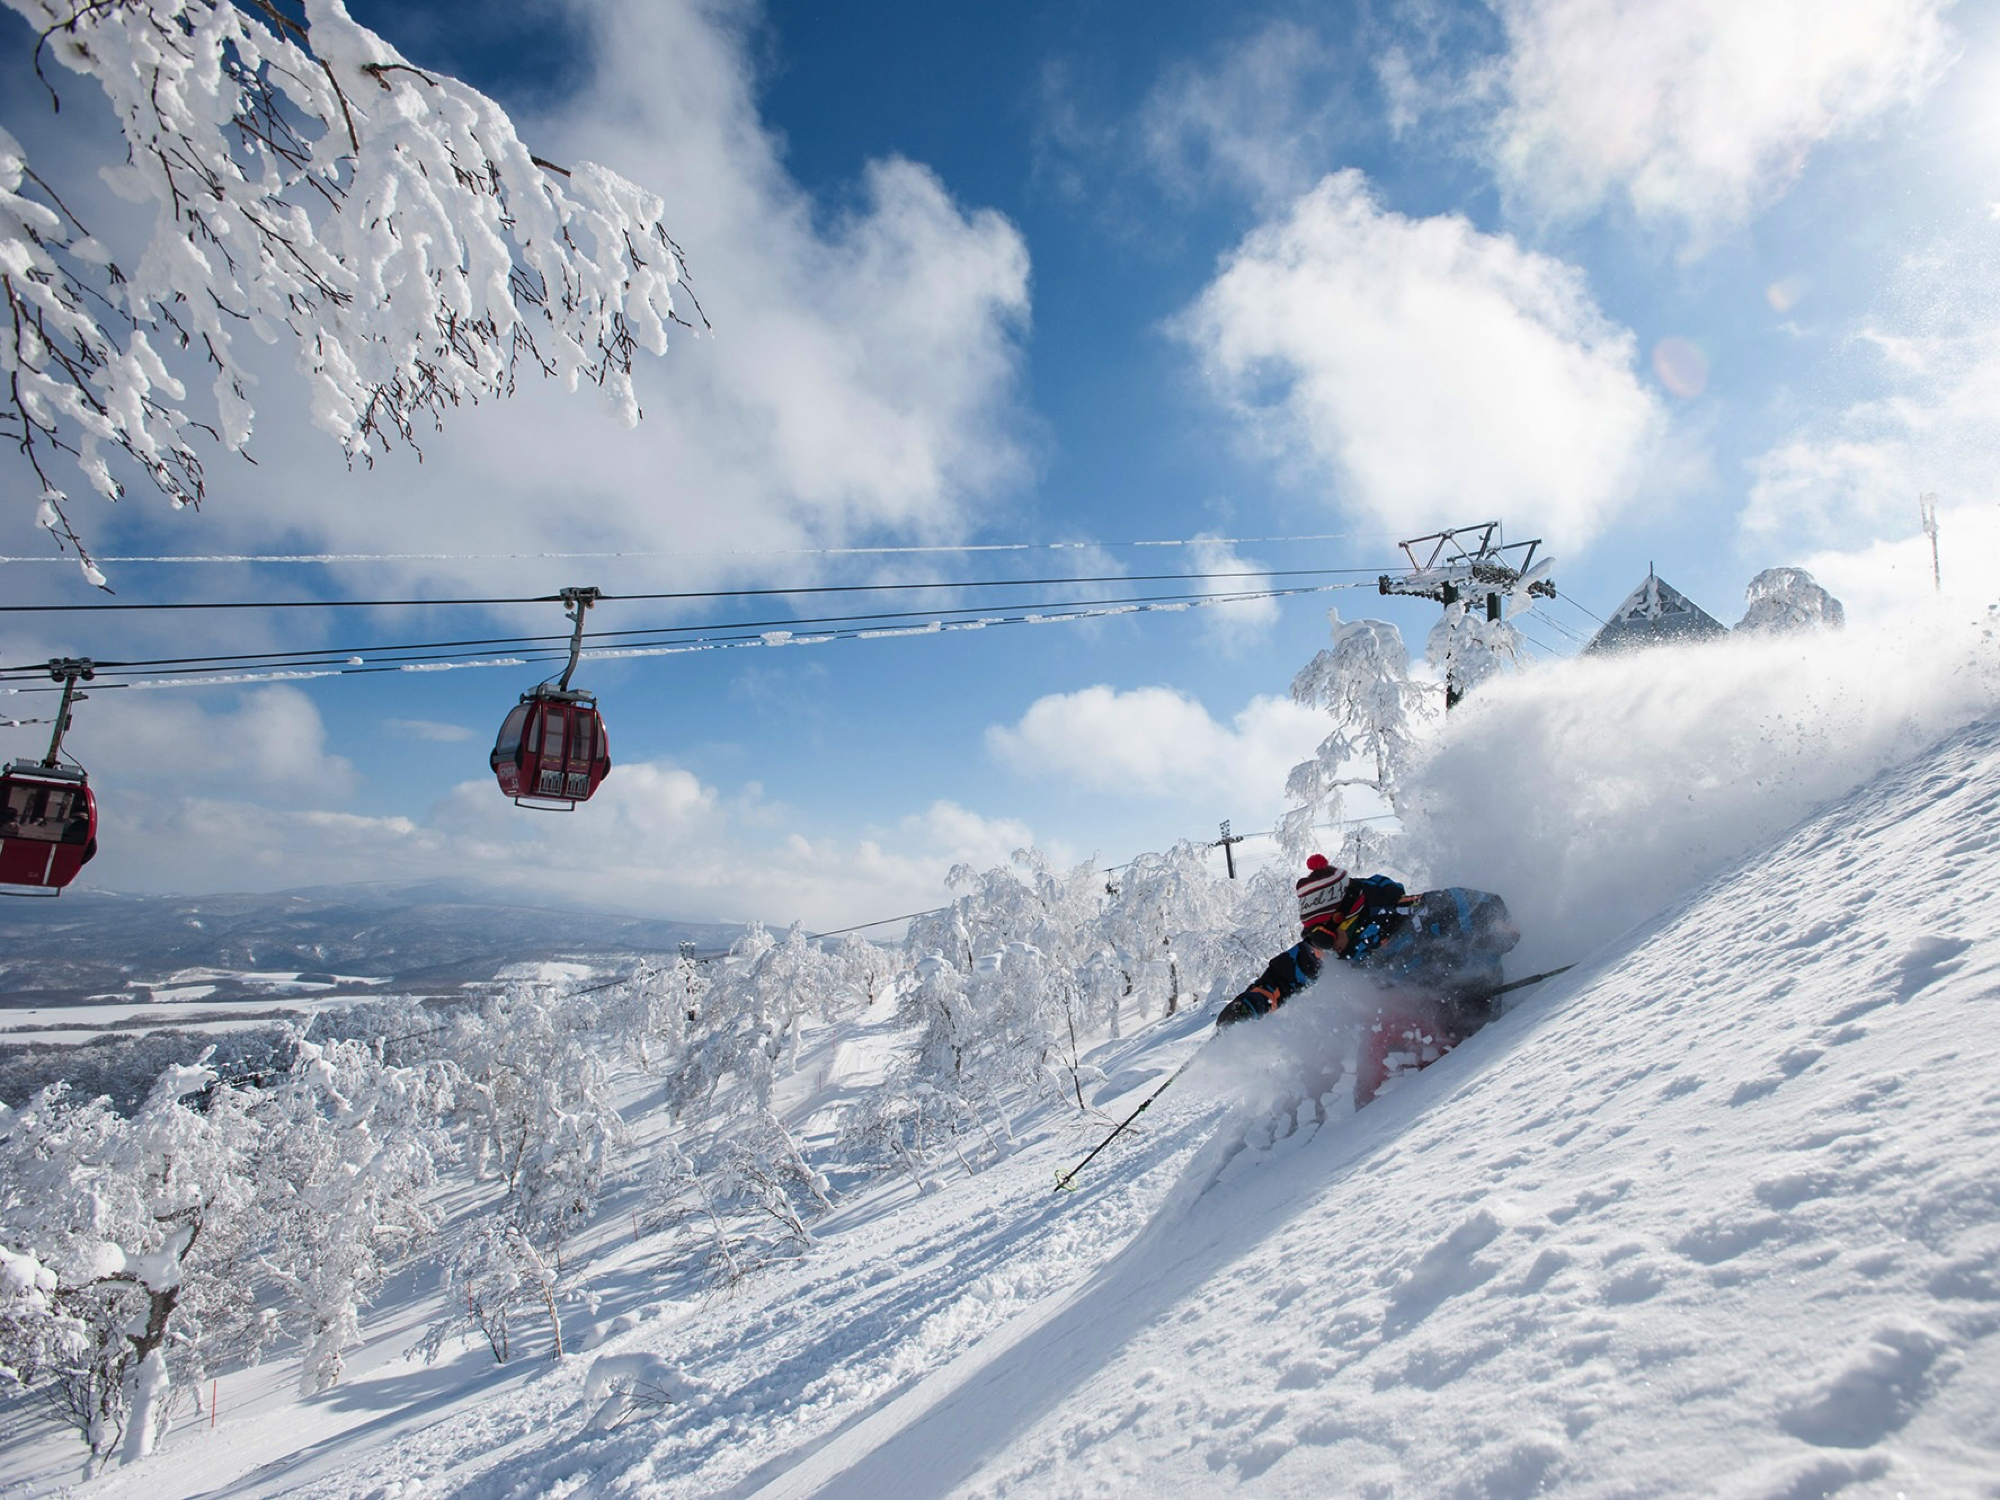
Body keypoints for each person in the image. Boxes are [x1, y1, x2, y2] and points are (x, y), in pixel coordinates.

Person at [1216, 854, 1519, 1108]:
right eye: (1314, 938)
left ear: (1348, 916)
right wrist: (1249, 1005)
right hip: (1413, 1015)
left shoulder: (1416, 916)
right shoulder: (1333, 949)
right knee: (1376, 1045)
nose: (1322, 946)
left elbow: (1484, 907)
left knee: (1399, 1040)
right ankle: (1370, 1127)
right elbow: (1284, 975)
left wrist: (1496, 942)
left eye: (1323, 935)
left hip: (1470, 1003)